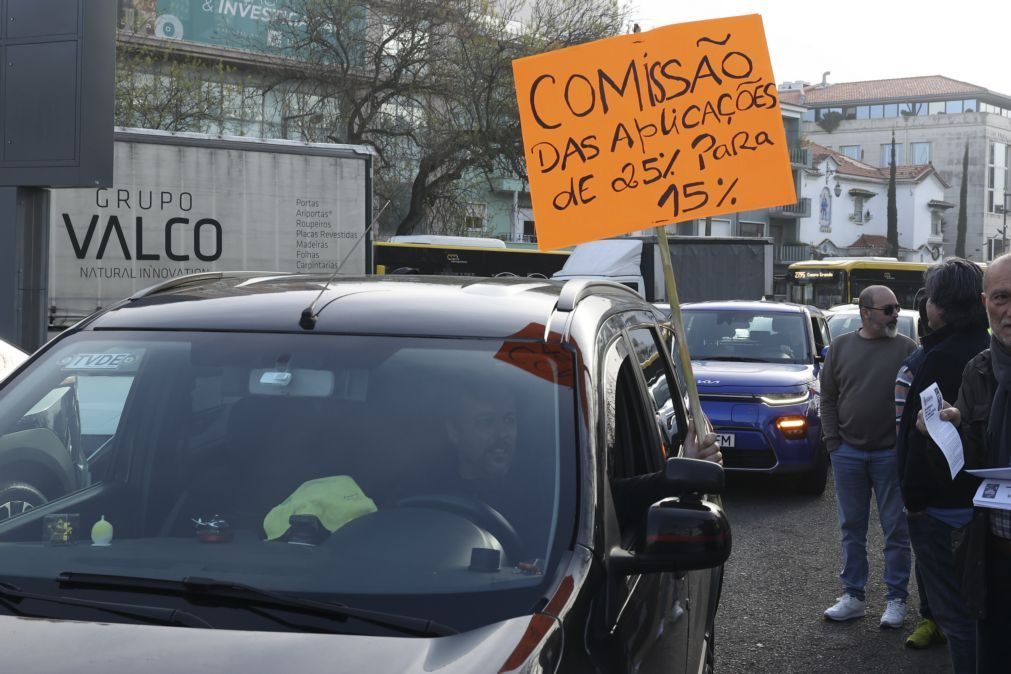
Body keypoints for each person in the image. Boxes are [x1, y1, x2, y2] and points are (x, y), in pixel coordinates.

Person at [895, 259, 987, 672]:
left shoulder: (941, 356)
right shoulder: (987, 350)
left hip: (940, 507)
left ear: (939, 307)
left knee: (956, 613)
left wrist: (912, 498)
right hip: (980, 501)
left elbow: (921, 434)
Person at [927, 253, 1011, 673]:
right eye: (1001, 298)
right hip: (992, 549)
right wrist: (953, 429)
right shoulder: (976, 370)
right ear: (985, 303)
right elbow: (971, 461)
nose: (1009, 310)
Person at [820, 285, 917, 626]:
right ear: (866, 312)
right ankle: (854, 596)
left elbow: (918, 400)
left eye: (897, 308)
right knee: (851, 527)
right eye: (888, 309)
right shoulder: (841, 347)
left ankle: (896, 599)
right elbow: (828, 397)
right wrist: (833, 442)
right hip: (847, 452)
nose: (896, 315)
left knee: (896, 528)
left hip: (889, 454)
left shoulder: (907, 348)